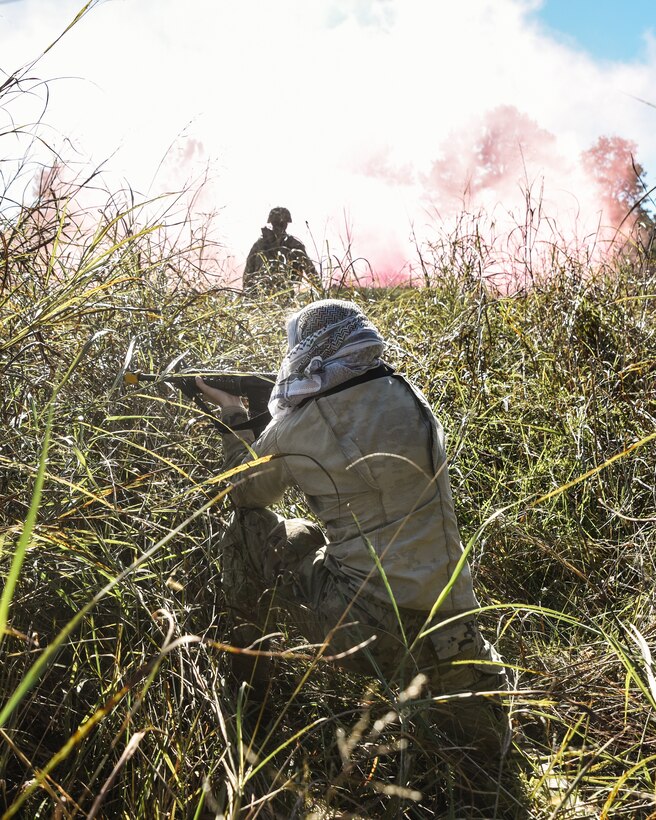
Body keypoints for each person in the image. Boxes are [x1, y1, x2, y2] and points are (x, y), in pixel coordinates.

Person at [197, 298, 511, 801]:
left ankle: (249, 694)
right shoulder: (408, 396)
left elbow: (243, 493)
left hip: (366, 623)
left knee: (253, 532)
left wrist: (236, 417)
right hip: (452, 624)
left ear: (309, 354)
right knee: (489, 763)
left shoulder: (296, 427)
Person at [242, 206, 316, 293]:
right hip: (282, 295)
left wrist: (247, 294)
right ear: (286, 224)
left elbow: (248, 274)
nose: (279, 226)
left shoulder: (259, 244)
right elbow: (311, 271)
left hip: (266, 295)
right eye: (278, 223)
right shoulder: (294, 245)